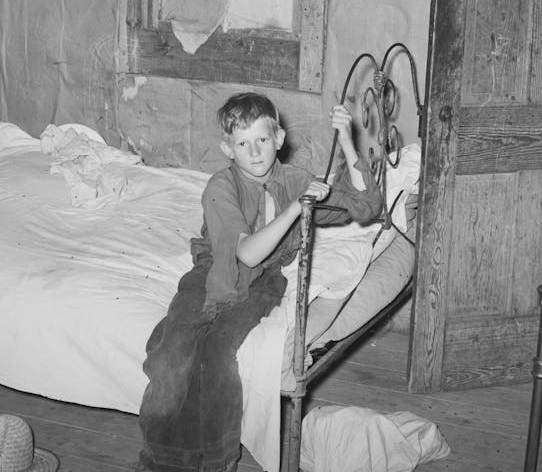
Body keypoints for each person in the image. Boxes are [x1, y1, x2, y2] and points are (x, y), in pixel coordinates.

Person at [137, 92, 383, 472]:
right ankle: (161, 461)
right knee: (171, 356)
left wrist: (347, 141)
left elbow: (367, 207)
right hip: (212, 273)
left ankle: (219, 462)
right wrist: (295, 208)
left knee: (218, 355)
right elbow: (246, 254)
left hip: (265, 282)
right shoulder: (220, 187)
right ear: (227, 148)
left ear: (279, 139)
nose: (254, 152)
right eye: (242, 143)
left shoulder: (295, 179)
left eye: (262, 140)